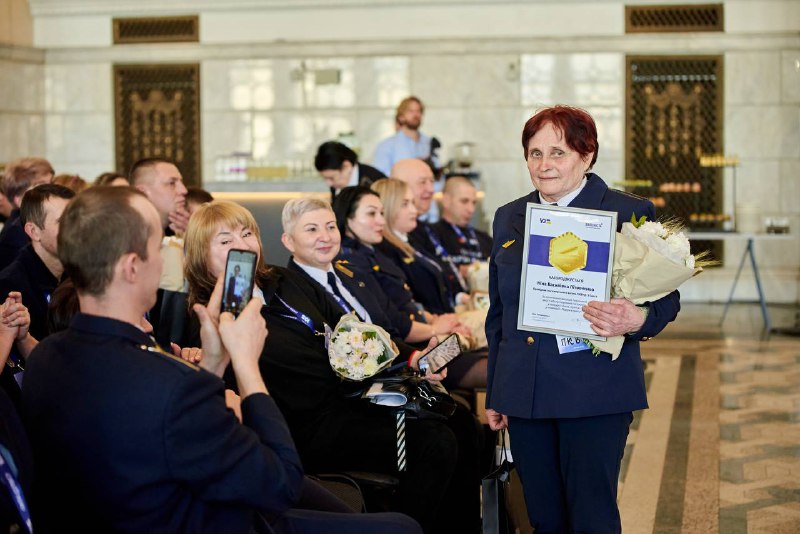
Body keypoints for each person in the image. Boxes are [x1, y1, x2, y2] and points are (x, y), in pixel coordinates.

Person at [22, 186, 418, 533]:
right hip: (216, 519)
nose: (163, 262)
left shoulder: (45, 359)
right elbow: (278, 481)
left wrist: (212, 365)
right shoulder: (164, 381)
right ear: (132, 267)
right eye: (158, 246)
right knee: (403, 527)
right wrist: (244, 362)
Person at [184, 200, 481, 532]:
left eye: (247, 234)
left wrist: (411, 358)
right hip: (302, 425)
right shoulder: (210, 316)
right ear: (201, 255)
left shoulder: (282, 281)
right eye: (225, 242)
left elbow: (352, 328)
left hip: (350, 399)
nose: (242, 246)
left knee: (462, 422)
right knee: (434, 441)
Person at [485, 105, 682, 533]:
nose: (545, 164)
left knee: (592, 517)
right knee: (542, 518)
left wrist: (636, 318)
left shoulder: (627, 212)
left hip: (594, 391)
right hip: (526, 392)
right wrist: (498, 389)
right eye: (534, 153)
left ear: (586, 155)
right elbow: (499, 315)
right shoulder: (509, 216)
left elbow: (668, 300)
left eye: (558, 152)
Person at [333, 186, 467, 342]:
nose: (381, 221)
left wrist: (436, 320)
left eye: (381, 213)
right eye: (371, 213)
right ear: (347, 218)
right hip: (408, 344)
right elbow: (392, 321)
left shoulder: (372, 251)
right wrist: (435, 329)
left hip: (423, 327)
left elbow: (406, 303)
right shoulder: (351, 262)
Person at [392, 159, 467, 301]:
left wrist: (459, 296)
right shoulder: (389, 238)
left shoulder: (423, 229)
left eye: (432, 182)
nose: (431, 189)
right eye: (422, 182)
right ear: (400, 186)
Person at [0, 158, 54, 271]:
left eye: (52, 184)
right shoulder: (17, 232)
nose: (53, 191)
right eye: (42, 187)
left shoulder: (26, 222)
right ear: (19, 198)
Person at [432, 176, 493, 271]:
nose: (471, 209)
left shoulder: (485, 239)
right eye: (464, 201)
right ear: (446, 201)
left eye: (474, 203)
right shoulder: (431, 235)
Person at [372, 97, 439, 176]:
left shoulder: (429, 143)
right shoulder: (387, 145)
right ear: (401, 117)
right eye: (411, 111)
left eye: (419, 111)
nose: (416, 115)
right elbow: (380, 176)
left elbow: (437, 175)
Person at [314, 141, 385, 203]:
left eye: (331, 178)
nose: (329, 184)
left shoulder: (374, 182)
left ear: (347, 167)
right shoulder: (336, 183)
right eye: (325, 178)